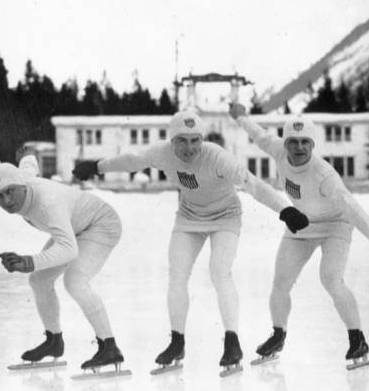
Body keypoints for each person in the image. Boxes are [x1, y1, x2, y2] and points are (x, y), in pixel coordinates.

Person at [72, 109, 309, 375]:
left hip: (225, 216)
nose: (189, 148)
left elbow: (252, 184)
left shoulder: (217, 157)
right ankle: (177, 342)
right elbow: (133, 160)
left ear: (202, 139)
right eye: (182, 141)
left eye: (195, 140)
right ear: (172, 141)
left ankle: (232, 342)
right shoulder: (162, 153)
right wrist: (97, 166)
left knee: (220, 272)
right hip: (190, 217)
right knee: (177, 274)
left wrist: (285, 210)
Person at [229, 103, 369, 368]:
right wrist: (240, 116)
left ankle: (358, 339)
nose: (299, 147)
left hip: (335, 225)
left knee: (330, 278)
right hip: (302, 224)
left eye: (305, 142)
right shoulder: (278, 150)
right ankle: (278, 335)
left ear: (313, 144)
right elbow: (259, 134)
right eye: (293, 142)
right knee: (281, 281)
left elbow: (352, 208)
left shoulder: (323, 174)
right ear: (285, 143)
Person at [0, 151, 127, 374]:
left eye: (9, 192)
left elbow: (69, 249)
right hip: (74, 226)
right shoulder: (22, 179)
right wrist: (28, 155)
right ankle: (54, 341)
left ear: (21, 186)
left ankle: (109, 347)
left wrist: (29, 261)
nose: (6, 201)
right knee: (39, 280)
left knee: (75, 281)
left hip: (101, 224)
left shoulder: (47, 204)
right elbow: (29, 166)